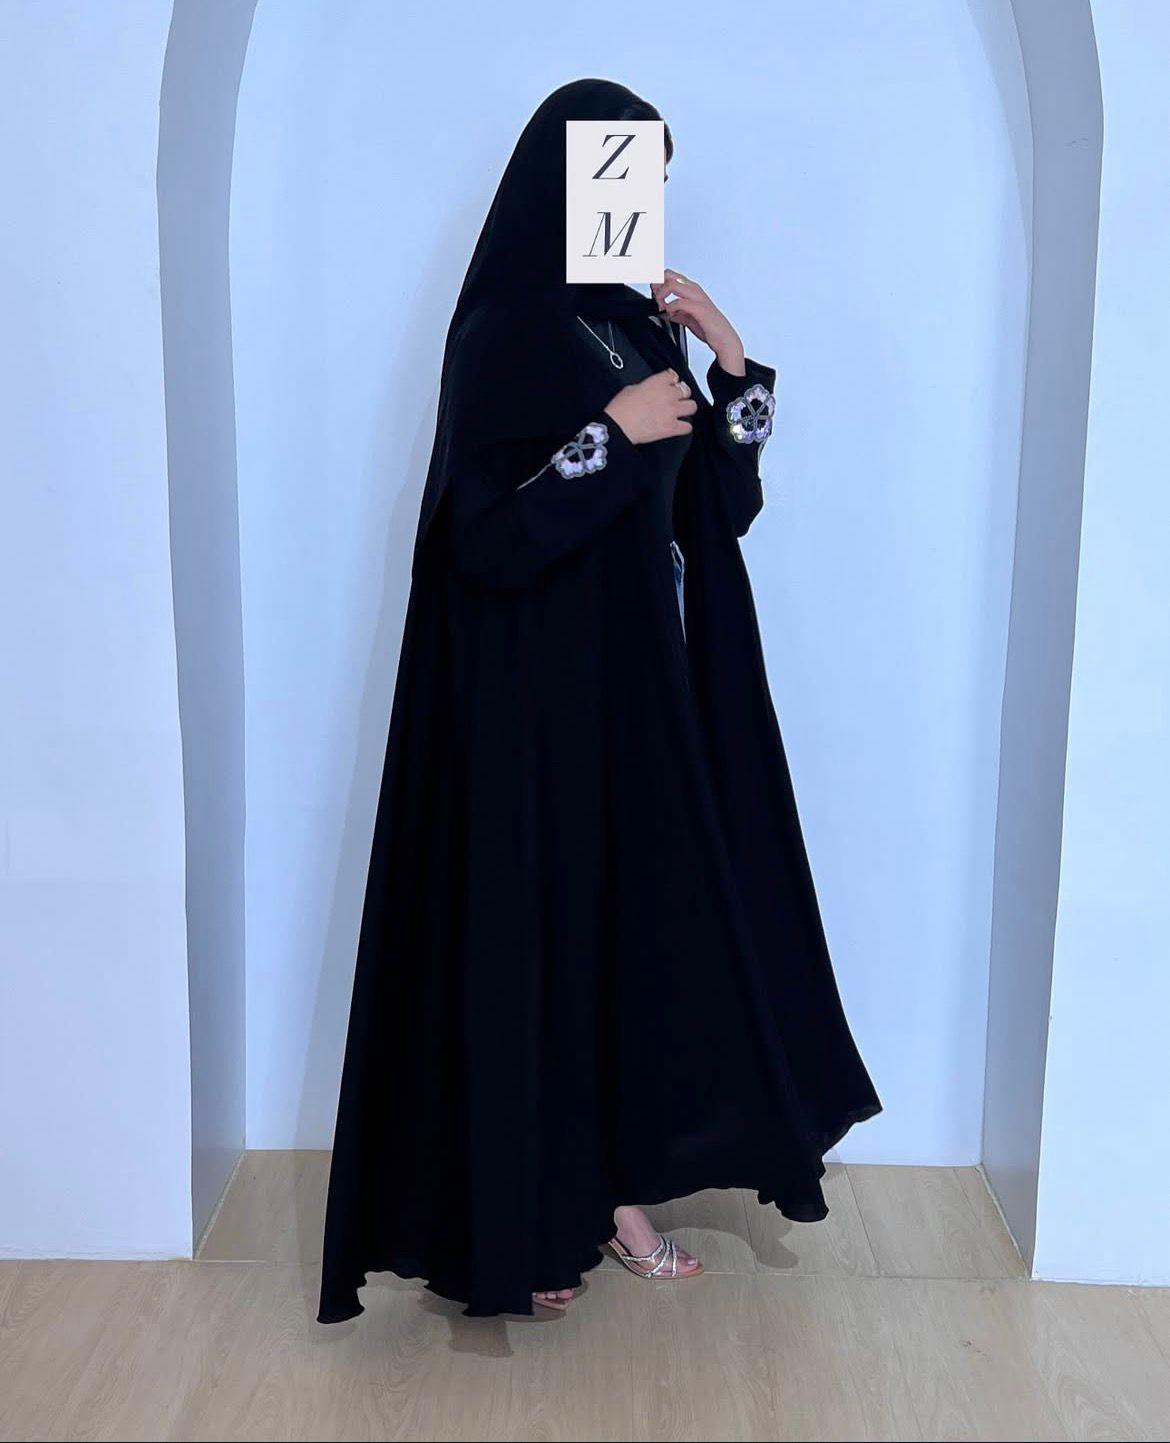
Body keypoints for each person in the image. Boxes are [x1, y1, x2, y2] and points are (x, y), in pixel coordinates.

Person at [318, 77, 880, 1322]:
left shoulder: (637, 328)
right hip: (535, 709)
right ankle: (532, 1217)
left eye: (653, 184)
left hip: (640, 695)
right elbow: (483, 536)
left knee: (637, 941)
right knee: (546, 942)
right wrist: (613, 437)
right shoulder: (507, 330)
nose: (643, 204)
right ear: (567, 182)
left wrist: (733, 365)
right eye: (624, 177)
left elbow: (714, 508)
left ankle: (616, 1192)